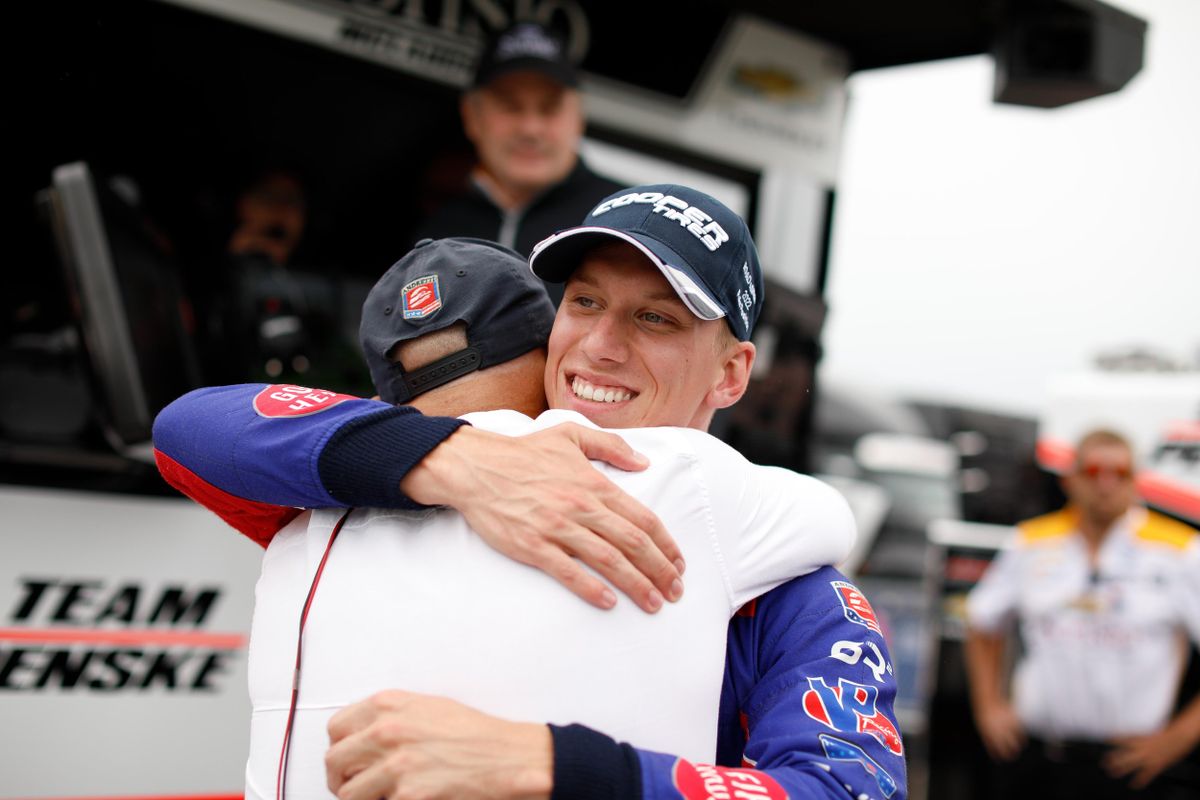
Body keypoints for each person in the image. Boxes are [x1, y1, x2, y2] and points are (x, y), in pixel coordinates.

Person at [154, 184, 907, 800]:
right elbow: (191, 428)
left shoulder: (790, 587)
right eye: (583, 303)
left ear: (732, 373)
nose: (601, 345)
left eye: (654, 318)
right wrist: (459, 464)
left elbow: (848, 792)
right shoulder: (394, 479)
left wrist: (547, 766)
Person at [965, 429, 1200, 799]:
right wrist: (988, 708)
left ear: (1136, 480)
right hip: (1041, 759)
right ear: (1070, 478)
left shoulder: (1179, 550)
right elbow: (981, 623)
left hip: (1131, 765)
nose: (1105, 485)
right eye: (1093, 472)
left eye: (1119, 473)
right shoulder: (1031, 541)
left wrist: (1177, 740)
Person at [413, 21, 622, 282]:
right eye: (510, 107)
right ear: (471, 116)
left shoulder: (621, 221)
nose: (530, 129)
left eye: (549, 108)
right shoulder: (436, 231)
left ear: (579, 117)